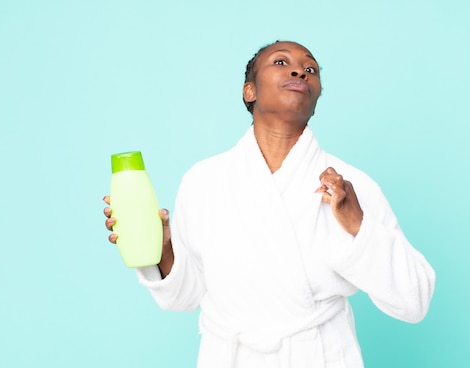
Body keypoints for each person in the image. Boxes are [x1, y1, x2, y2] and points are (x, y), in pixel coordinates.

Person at [103, 41, 435, 368]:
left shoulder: (353, 186)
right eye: (280, 62)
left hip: (316, 356)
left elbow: (414, 301)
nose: (298, 71)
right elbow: (183, 296)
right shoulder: (203, 180)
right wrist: (163, 250)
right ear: (250, 91)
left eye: (310, 70)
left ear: (316, 97)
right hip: (229, 356)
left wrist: (358, 224)